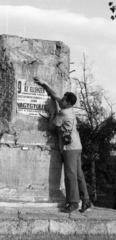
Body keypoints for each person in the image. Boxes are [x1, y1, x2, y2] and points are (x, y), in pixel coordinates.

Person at [34, 77, 91, 213]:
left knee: (70, 175)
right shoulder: (69, 109)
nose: (61, 100)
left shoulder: (64, 113)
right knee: (78, 174)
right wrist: (45, 84)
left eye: (64, 100)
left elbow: (51, 126)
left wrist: (52, 113)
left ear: (68, 103)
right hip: (77, 146)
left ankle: (73, 203)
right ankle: (86, 200)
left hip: (69, 148)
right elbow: (56, 95)